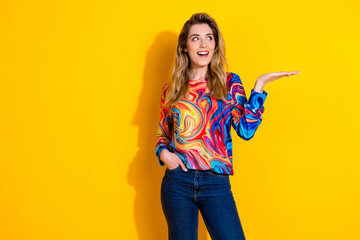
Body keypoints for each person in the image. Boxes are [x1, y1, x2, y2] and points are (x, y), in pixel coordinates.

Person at [155, 12, 300, 240]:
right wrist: (164, 154)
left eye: (209, 37)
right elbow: (163, 133)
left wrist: (259, 87)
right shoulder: (171, 89)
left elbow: (245, 130)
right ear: (184, 46)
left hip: (216, 183)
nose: (203, 44)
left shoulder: (229, 83)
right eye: (195, 38)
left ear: (215, 44)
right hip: (177, 183)